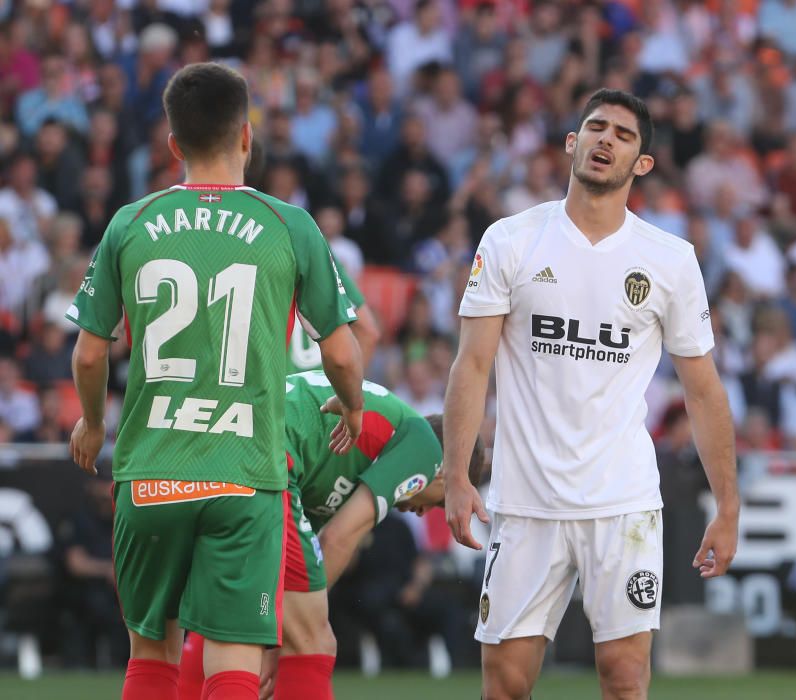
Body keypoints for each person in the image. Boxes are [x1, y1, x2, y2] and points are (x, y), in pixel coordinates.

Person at [65, 62, 364, 700]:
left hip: (150, 470)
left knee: (152, 652)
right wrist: (353, 406)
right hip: (245, 473)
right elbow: (341, 353)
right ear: (247, 136)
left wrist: (93, 423)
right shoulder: (291, 225)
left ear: (173, 145)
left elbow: (90, 357)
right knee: (233, 656)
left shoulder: (130, 222)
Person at [442, 89, 740, 700]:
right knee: (504, 685)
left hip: (622, 501)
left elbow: (704, 393)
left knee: (625, 680)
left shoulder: (670, 260)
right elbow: (471, 365)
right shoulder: (510, 240)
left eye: (624, 135)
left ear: (643, 164)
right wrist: (455, 474)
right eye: (595, 127)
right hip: (526, 499)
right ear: (572, 143)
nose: (606, 139)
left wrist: (729, 506)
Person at [176, 370, 486, 700]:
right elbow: (337, 539)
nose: (423, 512)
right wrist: (283, 633)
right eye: (439, 503)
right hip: (264, 460)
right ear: (444, 475)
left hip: (211, 449)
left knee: (224, 624)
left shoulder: (360, 454)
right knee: (312, 640)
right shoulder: (427, 449)